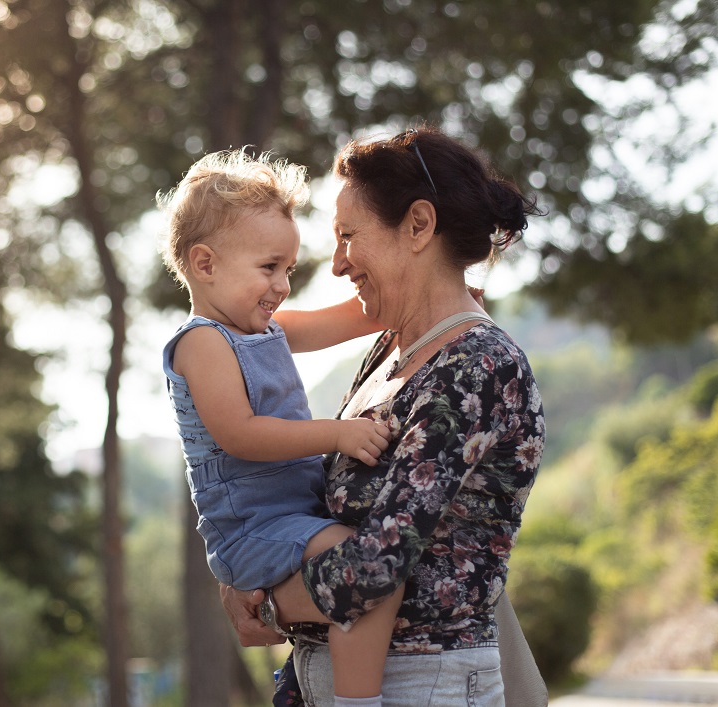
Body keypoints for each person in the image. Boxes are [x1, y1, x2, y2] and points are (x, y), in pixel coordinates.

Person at [220, 126, 545, 707]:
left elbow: (377, 562)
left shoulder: (479, 366)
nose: (337, 264)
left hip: (424, 687)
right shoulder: (389, 351)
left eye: (348, 236)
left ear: (418, 225)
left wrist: (267, 601)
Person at [159, 149, 406, 705]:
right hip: (252, 527)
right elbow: (242, 435)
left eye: (288, 270)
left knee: (366, 572)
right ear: (205, 265)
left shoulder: (267, 330)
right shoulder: (202, 343)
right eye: (269, 267)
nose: (283, 286)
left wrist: (437, 297)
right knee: (364, 568)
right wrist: (337, 433)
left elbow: (357, 316)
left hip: (292, 514)